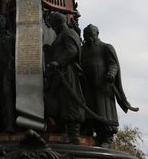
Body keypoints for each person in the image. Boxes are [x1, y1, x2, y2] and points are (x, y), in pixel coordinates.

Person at [81, 24, 138, 147]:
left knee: (103, 110)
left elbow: (113, 64)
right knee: (88, 109)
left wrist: (111, 74)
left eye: (91, 34)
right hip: (86, 85)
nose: (88, 36)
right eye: (86, 34)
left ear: (97, 34)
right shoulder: (83, 49)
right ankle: (87, 131)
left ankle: (106, 137)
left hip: (102, 85)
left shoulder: (105, 47)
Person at [44, 12, 84, 144]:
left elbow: (72, 50)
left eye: (53, 25)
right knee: (62, 102)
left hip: (68, 73)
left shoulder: (68, 33)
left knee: (70, 102)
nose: (53, 28)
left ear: (58, 23)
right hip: (60, 74)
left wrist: (58, 62)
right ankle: (65, 131)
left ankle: (74, 135)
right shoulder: (61, 35)